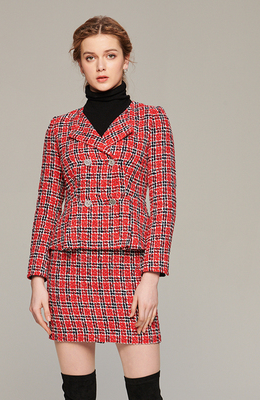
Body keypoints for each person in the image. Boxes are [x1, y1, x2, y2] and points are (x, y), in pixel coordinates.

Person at [28, 15, 176, 400]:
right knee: (77, 395)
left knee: (145, 394)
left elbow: (163, 204)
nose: (101, 65)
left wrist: (152, 276)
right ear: (79, 63)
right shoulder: (60, 127)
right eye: (90, 57)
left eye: (110, 55)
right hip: (70, 269)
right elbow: (47, 205)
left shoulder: (152, 120)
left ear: (126, 59)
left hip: (130, 269)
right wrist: (38, 279)